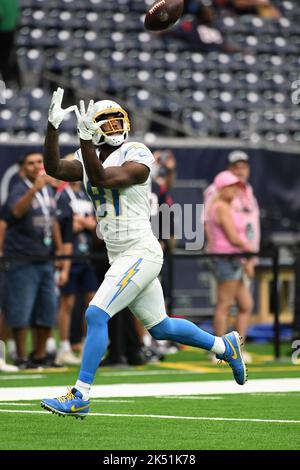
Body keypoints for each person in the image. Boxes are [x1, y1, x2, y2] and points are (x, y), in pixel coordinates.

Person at [41, 87, 247, 419]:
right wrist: (51, 129)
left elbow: (103, 178)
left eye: (114, 121)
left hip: (140, 250)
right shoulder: (87, 155)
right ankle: (224, 346)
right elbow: (53, 168)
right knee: (161, 328)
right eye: (103, 122)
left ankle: (80, 393)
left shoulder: (137, 153)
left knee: (96, 313)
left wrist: (84, 141)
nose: (110, 127)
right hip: (119, 252)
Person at [3, 152, 61, 368]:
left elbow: (53, 220)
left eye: (39, 162)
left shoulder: (48, 189)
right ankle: (20, 356)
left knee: (47, 308)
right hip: (22, 257)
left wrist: (59, 250)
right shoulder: (18, 188)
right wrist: (34, 188)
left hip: (45, 257)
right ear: (22, 169)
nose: (37, 165)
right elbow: (16, 212)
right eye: (31, 163)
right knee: (21, 309)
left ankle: (39, 355)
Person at [206, 170, 256, 361]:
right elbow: (234, 238)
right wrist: (250, 252)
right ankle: (219, 351)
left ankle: (238, 349)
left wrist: (247, 258)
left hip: (236, 260)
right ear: (222, 188)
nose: (235, 190)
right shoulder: (220, 207)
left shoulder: (227, 206)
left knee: (245, 304)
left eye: (237, 186)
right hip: (226, 260)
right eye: (231, 186)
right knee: (225, 304)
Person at [55, 158, 98, 365]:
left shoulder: (85, 193)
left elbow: (94, 224)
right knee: (67, 303)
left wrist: (82, 223)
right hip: (69, 254)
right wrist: (82, 223)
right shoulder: (62, 194)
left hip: (85, 254)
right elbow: (64, 226)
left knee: (92, 303)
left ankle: (83, 343)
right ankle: (64, 345)